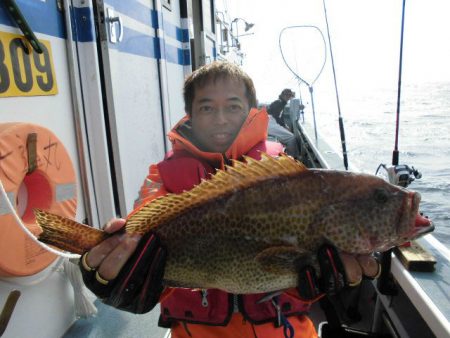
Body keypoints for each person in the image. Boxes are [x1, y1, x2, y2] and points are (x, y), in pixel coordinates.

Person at [79, 61, 380, 337]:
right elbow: (146, 219)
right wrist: (121, 278)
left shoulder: (284, 173)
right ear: (191, 115)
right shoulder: (164, 176)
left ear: (250, 111)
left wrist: (313, 287)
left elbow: (291, 265)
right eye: (207, 108)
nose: (220, 119)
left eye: (233, 107)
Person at [267, 89, 300, 159]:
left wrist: (284, 125)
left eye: (290, 96)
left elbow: (279, 116)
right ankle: (292, 159)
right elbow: (276, 116)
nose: (288, 98)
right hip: (270, 122)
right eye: (288, 95)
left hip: (268, 122)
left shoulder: (280, 102)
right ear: (283, 95)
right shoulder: (279, 103)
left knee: (288, 135)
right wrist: (283, 126)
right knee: (291, 137)